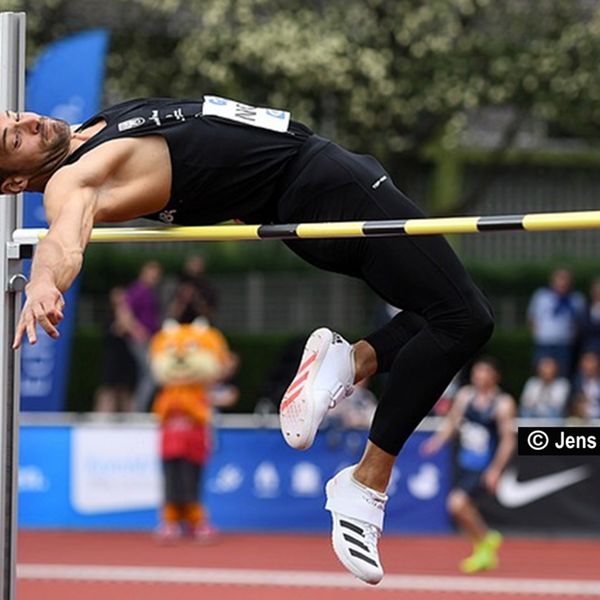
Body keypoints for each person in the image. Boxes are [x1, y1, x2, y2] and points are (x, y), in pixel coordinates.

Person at [6, 96, 494, 584]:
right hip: (322, 183)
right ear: (14, 183)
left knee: (442, 313)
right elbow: (64, 238)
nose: (29, 122)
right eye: (16, 139)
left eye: (15, 117)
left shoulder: (94, 127)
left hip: (301, 194)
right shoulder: (74, 177)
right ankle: (365, 482)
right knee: (463, 319)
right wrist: (45, 282)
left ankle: (348, 363)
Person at [421, 357, 516, 574]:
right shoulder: (466, 396)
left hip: (483, 465)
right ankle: (483, 549)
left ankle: (486, 540)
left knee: (456, 504)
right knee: (465, 509)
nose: (480, 377)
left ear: (494, 376)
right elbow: (453, 422)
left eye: (485, 373)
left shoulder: (503, 403)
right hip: (464, 461)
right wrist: (436, 442)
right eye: (477, 373)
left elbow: (508, 439)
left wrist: (496, 469)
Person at [527, 268, 585, 378]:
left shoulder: (576, 299)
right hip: (544, 342)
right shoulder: (541, 296)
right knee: (540, 373)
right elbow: (532, 317)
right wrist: (537, 333)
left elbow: (580, 322)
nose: (562, 284)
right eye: (559, 280)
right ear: (552, 282)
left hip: (565, 343)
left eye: (565, 281)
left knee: (563, 374)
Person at [124, 260, 163, 411]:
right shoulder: (138, 290)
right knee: (150, 374)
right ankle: (138, 409)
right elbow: (125, 309)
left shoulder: (150, 292)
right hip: (141, 339)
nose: (154, 277)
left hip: (150, 338)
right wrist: (136, 330)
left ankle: (141, 408)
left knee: (146, 373)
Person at [93, 286, 139, 413]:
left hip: (126, 356)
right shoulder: (108, 316)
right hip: (112, 357)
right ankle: (103, 417)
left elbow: (137, 334)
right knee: (108, 390)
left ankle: (128, 418)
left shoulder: (131, 316)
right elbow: (116, 330)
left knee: (126, 391)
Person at [167, 255, 218, 323]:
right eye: (193, 264)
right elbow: (171, 315)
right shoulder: (177, 284)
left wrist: (196, 298)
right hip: (180, 327)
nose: (195, 268)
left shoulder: (208, 287)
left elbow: (209, 315)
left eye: (198, 265)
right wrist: (183, 298)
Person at [571, 351, 600, 419]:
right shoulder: (576, 382)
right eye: (586, 362)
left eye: (592, 362)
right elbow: (571, 403)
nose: (589, 366)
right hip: (582, 418)